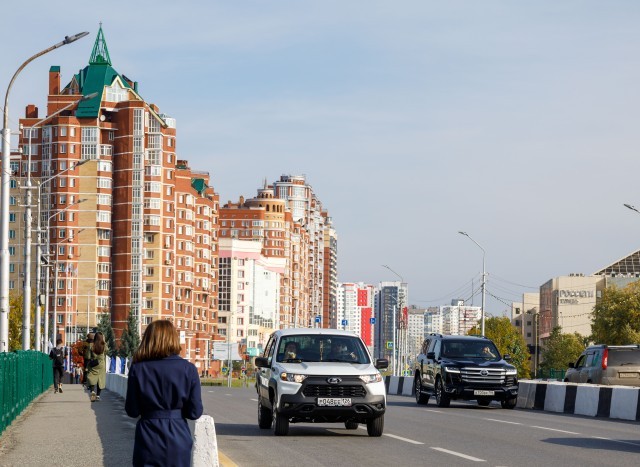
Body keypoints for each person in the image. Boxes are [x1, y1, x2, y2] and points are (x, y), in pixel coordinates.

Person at [125, 320, 203, 467]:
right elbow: (195, 412)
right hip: (178, 435)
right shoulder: (189, 369)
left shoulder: (138, 369)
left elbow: (132, 410)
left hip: (148, 436)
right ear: (173, 339)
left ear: (148, 340)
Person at [85, 331, 107, 402]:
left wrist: (87, 366)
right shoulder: (104, 345)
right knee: (100, 379)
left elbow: (88, 356)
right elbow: (107, 351)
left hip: (93, 364)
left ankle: (92, 391)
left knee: (91, 377)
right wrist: (104, 341)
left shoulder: (91, 345)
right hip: (101, 364)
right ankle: (98, 395)